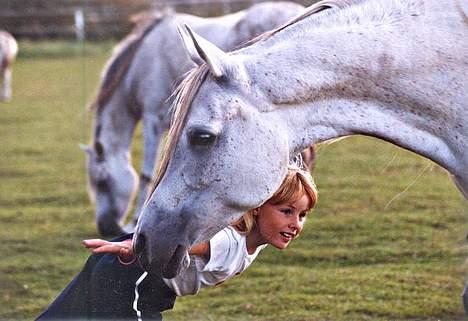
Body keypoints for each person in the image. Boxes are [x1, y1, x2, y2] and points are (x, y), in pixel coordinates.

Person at [36, 165, 318, 321]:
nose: (296, 223)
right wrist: (133, 249)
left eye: (303, 215)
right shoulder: (230, 241)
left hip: (125, 261)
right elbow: (188, 246)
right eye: (287, 212)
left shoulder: (253, 236)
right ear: (257, 206)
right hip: (135, 271)